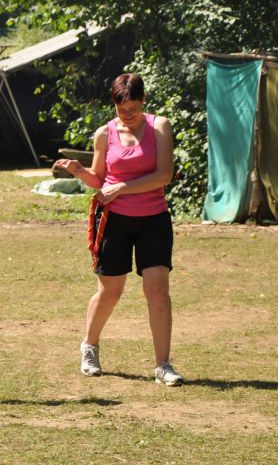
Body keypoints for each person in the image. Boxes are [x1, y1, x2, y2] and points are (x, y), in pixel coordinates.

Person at [53, 73, 184, 387]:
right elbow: (100, 181)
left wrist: (122, 187)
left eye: (134, 108)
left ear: (144, 101)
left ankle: (163, 365)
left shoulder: (160, 127)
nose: (128, 115)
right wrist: (79, 171)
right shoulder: (104, 134)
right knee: (110, 291)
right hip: (114, 220)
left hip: (154, 218)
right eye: (122, 109)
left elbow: (164, 175)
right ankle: (90, 346)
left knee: (158, 292)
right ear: (113, 103)